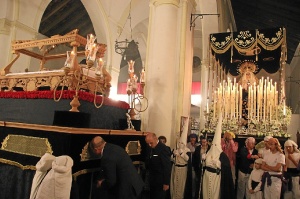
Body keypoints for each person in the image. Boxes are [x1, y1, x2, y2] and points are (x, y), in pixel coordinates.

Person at [202, 114, 235, 199]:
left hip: (216, 178)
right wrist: (203, 159)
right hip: (207, 176)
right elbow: (203, 166)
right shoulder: (208, 153)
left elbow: (226, 167)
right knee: (206, 193)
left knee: (215, 194)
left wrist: (218, 164)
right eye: (213, 145)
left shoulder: (222, 156)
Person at [145, 132, 172, 199]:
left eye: (151, 143)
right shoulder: (149, 147)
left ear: (155, 138)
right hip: (152, 179)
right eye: (148, 143)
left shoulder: (163, 149)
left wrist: (166, 183)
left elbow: (166, 167)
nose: (149, 145)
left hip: (160, 180)